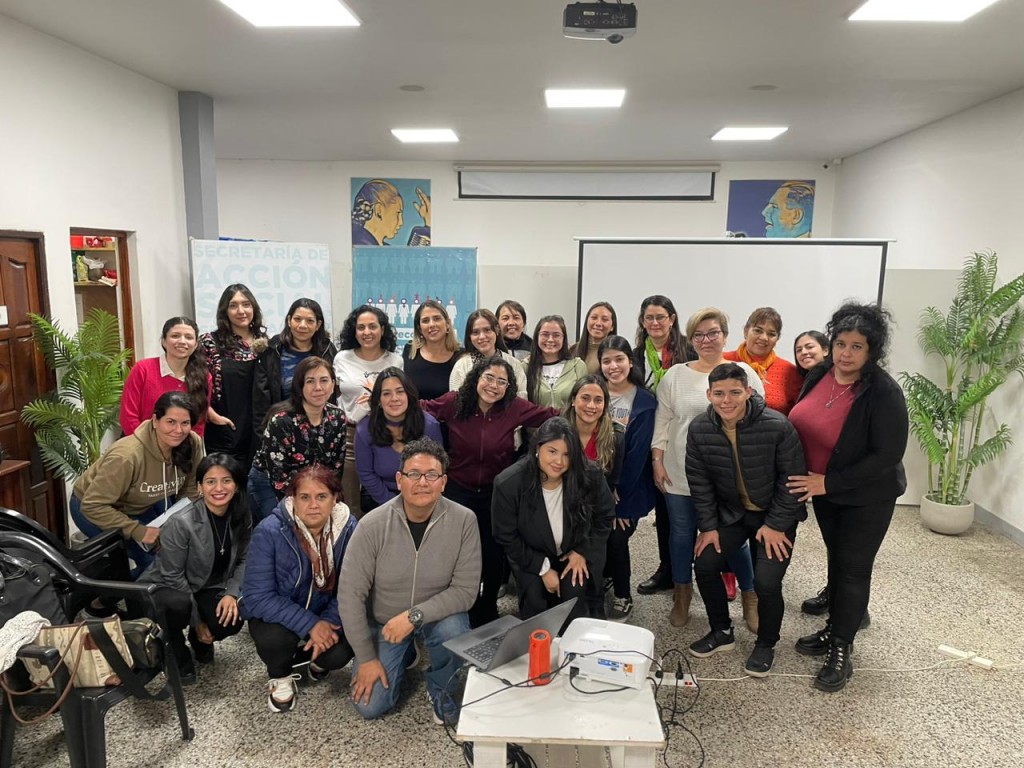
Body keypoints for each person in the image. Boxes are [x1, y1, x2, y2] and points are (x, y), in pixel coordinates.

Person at [787, 302, 908, 692]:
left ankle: (841, 648)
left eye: (857, 346)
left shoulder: (883, 392)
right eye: (841, 343)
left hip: (866, 496)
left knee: (854, 569)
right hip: (825, 491)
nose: (846, 353)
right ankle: (835, 626)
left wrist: (829, 483)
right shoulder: (819, 373)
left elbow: (887, 456)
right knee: (837, 560)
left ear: (872, 350)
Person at [339, 439, 481, 723]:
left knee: (455, 628)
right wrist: (366, 658)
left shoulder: (464, 521)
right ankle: (404, 653)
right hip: (385, 622)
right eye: (414, 474)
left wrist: (413, 616)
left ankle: (441, 687)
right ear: (399, 480)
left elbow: (465, 592)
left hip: (437, 616)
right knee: (370, 707)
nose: (422, 482)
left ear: (443, 482)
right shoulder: (371, 525)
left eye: (432, 475)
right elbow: (349, 596)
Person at [684, 364, 807, 677]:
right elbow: (700, 482)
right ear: (709, 395)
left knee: (766, 581)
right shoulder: (700, 428)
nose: (727, 400)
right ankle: (721, 631)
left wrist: (776, 524)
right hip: (733, 514)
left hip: (775, 516)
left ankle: (766, 643)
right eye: (719, 393)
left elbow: (792, 482)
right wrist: (708, 527)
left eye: (735, 392)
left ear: (749, 392)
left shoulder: (778, 426)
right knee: (705, 563)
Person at [422, 356, 559, 626]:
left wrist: (581, 411)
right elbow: (422, 408)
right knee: (460, 552)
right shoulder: (454, 402)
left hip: (496, 493)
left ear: (508, 387)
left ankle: (488, 606)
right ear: (476, 378)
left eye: (501, 382)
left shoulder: (514, 407)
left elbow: (549, 415)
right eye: (489, 378)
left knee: (494, 552)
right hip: (458, 490)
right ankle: (464, 603)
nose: (493, 386)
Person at [652, 308, 763, 630]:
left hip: (728, 476)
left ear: (725, 336)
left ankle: (750, 595)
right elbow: (663, 422)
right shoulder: (675, 375)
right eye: (698, 335)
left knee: (732, 538)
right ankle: (682, 594)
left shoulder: (743, 372)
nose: (706, 340)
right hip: (679, 471)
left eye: (713, 332)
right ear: (691, 340)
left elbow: (757, 421)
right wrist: (657, 460)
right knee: (681, 535)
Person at [241, 464, 357, 713]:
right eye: (305, 497)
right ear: (292, 499)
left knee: (340, 652)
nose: (313, 505)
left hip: (324, 611)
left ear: (335, 499)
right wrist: (311, 625)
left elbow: (351, 587)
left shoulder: (349, 528)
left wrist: (328, 621)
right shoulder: (269, 531)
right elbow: (256, 597)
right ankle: (280, 675)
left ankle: (317, 661)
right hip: (277, 614)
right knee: (274, 640)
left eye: (321, 496)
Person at [138, 453, 250, 681]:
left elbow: (244, 560)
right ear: (199, 487)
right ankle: (175, 647)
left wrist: (231, 594)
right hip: (166, 588)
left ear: (236, 486)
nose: (219, 488)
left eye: (226, 480)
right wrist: (197, 623)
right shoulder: (181, 522)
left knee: (232, 617)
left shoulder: (241, 514)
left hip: (206, 583)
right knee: (178, 606)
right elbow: (173, 576)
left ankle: (199, 643)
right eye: (210, 481)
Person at [492, 417, 614, 625]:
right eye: (552, 451)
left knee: (575, 594)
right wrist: (543, 568)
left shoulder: (590, 474)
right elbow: (505, 534)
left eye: (567, 454)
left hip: (576, 548)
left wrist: (582, 552)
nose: (559, 461)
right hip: (530, 553)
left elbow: (605, 516)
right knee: (535, 602)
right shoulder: (508, 483)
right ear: (537, 448)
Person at [71, 392, 204, 576]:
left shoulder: (192, 443)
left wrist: (180, 526)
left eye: (185, 423)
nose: (179, 430)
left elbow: (189, 490)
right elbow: (92, 505)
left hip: (140, 501)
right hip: (93, 507)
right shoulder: (127, 456)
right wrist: (137, 530)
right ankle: (113, 591)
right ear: (155, 420)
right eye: (171, 422)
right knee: (155, 564)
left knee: (175, 553)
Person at [632, 295, 693, 597]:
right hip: (649, 439)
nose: (655, 323)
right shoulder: (634, 355)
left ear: (672, 319)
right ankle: (668, 569)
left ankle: (698, 568)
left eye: (660, 317)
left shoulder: (689, 352)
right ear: (642, 322)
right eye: (649, 318)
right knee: (665, 508)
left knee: (690, 509)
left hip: (682, 437)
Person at [597, 336, 657, 621]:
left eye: (619, 359)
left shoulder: (645, 401)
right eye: (606, 361)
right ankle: (606, 575)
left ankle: (623, 595)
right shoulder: (593, 391)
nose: (613, 366)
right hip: (595, 484)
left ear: (630, 362)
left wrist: (616, 498)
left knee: (616, 537)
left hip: (628, 490)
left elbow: (637, 456)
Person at [249, 357, 347, 523]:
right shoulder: (281, 421)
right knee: (285, 528)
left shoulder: (338, 418)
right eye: (310, 381)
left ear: (333, 385)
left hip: (313, 486)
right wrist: (305, 503)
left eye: (324, 380)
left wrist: (324, 497)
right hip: (270, 484)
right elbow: (279, 478)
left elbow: (335, 469)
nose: (318, 387)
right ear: (299, 387)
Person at [334, 305, 404, 518]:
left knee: (380, 497)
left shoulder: (395, 360)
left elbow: (400, 397)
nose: (367, 332)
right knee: (350, 503)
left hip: (385, 433)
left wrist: (377, 397)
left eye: (372, 326)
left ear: (382, 329)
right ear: (354, 331)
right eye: (361, 327)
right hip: (350, 434)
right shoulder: (342, 358)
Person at [563, 375, 622, 619]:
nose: (591, 405)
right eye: (585, 398)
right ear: (573, 400)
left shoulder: (616, 436)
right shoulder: (558, 432)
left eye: (598, 400)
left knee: (603, 538)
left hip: (597, 507)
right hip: (563, 504)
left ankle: (596, 597)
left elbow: (614, 479)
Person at [199, 284, 268, 468]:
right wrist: (210, 414)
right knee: (225, 478)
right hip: (224, 428)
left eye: (246, 304)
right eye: (233, 305)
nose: (241, 311)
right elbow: (195, 381)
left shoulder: (265, 343)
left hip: (257, 429)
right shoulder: (209, 342)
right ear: (225, 311)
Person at [252, 298, 338, 445]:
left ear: (318, 325)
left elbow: (332, 395)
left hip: (319, 432)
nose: (302, 325)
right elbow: (261, 400)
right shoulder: (272, 350)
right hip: (280, 431)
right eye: (297, 319)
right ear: (289, 321)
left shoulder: (328, 351)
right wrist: (264, 437)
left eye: (310, 321)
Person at [791, 329, 835, 617]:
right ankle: (835, 592)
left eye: (810, 347)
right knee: (833, 541)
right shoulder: (814, 379)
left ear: (826, 349)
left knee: (845, 546)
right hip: (817, 478)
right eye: (799, 350)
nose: (804, 353)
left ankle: (849, 606)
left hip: (837, 479)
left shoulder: (834, 379)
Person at [355, 368, 444, 509]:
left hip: (423, 493)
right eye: (386, 393)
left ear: (409, 395)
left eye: (400, 391)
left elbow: (438, 470)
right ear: (378, 400)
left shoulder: (430, 426)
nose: (394, 398)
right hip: (380, 497)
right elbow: (366, 473)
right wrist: (394, 504)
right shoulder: (364, 429)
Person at [120, 316, 216, 438]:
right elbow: (128, 416)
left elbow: (199, 423)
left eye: (189, 337)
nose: (182, 341)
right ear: (163, 341)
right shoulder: (143, 369)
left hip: (182, 447)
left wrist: (186, 446)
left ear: (196, 344)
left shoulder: (204, 377)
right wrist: (147, 445)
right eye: (175, 336)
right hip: (140, 444)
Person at [724, 307, 803, 415]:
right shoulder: (723, 361)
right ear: (746, 331)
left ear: (777, 338)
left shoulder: (790, 371)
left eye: (771, 334)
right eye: (758, 330)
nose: (764, 338)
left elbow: (799, 415)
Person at [449, 309, 528, 397]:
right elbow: (455, 401)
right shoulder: (461, 366)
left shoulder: (514, 364)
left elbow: (521, 399)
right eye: (475, 332)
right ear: (469, 336)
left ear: (497, 330)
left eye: (487, 330)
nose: (482, 336)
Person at [402, 299, 461, 400]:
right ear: (419, 328)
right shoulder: (410, 351)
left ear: (447, 323)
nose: (432, 324)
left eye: (437, 319)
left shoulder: (461, 356)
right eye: (425, 321)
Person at [525, 315, 588, 409]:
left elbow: (585, 400)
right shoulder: (525, 366)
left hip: (568, 419)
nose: (550, 339)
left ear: (564, 338)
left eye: (556, 335)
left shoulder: (577, 366)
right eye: (545, 334)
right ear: (537, 337)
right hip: (536, 419)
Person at [351, 179, 431, 246]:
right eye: (397, 213)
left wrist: (428, 225)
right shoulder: (361, 245)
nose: (401, 222)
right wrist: (428, 226)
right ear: (379, 210)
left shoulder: (376, 247)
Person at [570, 301, 617, 374]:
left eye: (604, 319)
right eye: (594, 318)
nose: (598, 323)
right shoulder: (572, 350)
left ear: (612, 326)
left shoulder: (616, 353)